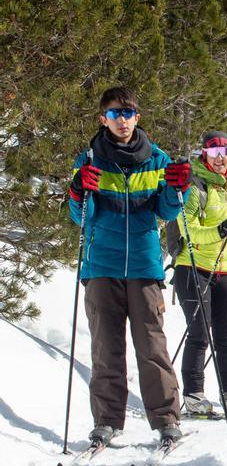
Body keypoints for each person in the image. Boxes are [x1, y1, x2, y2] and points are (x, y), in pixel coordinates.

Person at [68, 86, 190, 445]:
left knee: (152, 347)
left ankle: (167, 418)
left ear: (138, 116)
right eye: (114, 114)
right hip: (101, 266)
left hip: (143, 266)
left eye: (128, 112)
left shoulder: (158, 159)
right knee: (106, 348)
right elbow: (81, 218)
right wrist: (78, 191)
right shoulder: (88, 160)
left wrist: (176, 189)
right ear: (103, 119)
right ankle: (106, 420)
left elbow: (166, 212)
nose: (121, 120)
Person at [172, 131, 227, 417]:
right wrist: (219, 230)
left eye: (225, 152)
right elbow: (187, 228)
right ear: (204, 155)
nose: (220, 159)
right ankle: (194, 396)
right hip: (194, 267)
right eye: (213, 153)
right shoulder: (195, 187)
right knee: (199, 333)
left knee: (226, 338)